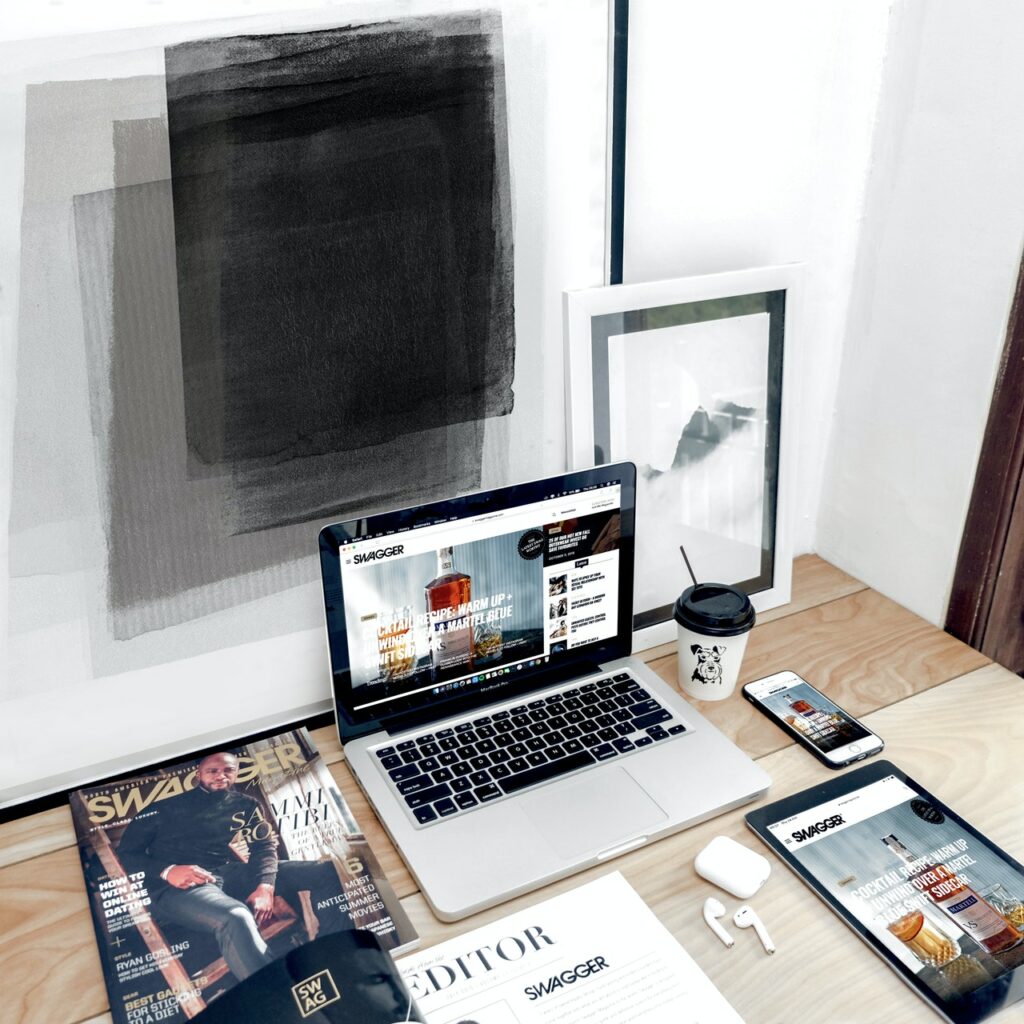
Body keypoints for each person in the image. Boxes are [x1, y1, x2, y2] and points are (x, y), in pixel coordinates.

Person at [117, 751, 348, 982]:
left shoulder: (246, 804)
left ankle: (334, 956)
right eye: (213, 771)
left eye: (228, 770)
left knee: (326, 872)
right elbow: (124, 856)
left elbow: (264, 846)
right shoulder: (162, 808)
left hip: (225, 874)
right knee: (236, 916)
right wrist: (168, 871)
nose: (221, 776)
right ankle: (277, 993)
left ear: (236, 772)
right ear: (198, 774)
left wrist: (265, 886)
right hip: (175, 889)